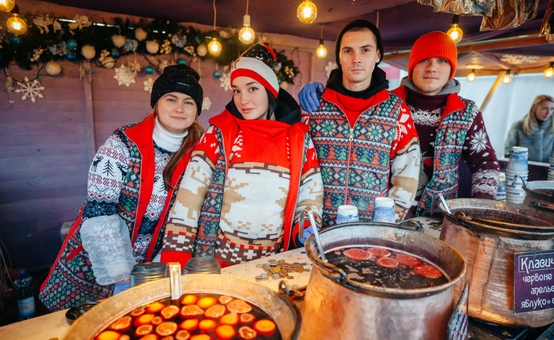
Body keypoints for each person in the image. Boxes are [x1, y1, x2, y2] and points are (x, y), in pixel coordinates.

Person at [39, 65, 204, 311]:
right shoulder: (122, 144)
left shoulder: (199, 153)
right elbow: (99, 213)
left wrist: (160, 266)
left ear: (197, 110)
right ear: (156, 103)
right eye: (171, 99)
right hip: (99, 263)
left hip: (152, 266)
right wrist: (121, 276)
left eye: (188, 102)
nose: (179, 108)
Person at [300, 30, 499, 217]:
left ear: (451, 68)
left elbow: (485, 164)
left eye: (442, 61)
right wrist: (324, 90)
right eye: (423, 60)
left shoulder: (465, 113)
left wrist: (481, 211)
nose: (432, 68)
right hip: (388, 217)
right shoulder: (387, 105)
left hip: (440, 217)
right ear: (411, 65)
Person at [160, 43, 323, 268]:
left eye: (252, 88)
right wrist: (175, 264)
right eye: (237, 90)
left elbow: (310, 195)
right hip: (216, 269)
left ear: (270, 90)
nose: (243, 99)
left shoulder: (298, 138)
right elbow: (188, 201)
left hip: (274, 268)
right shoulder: (218, 133)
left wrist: (306, 226)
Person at [299, 19, 421, 225]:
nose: (356, 59)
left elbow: (407, 177)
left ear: (377, 55)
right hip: (319, 230)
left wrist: (386, 224)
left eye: (365, 50)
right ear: (339, 56)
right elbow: (300, 171)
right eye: (348, 51)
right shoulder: (313, 108)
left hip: (371, 232)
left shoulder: (397, 111)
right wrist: (306, 223)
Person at [504, 94, 554, 163]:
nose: (549, 112)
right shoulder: (518, 126)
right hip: (520, 171)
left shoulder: (552, 129)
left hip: (546, 172)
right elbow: (508, 153)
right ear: (534, 108)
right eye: (544, 108)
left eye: (552, 109)